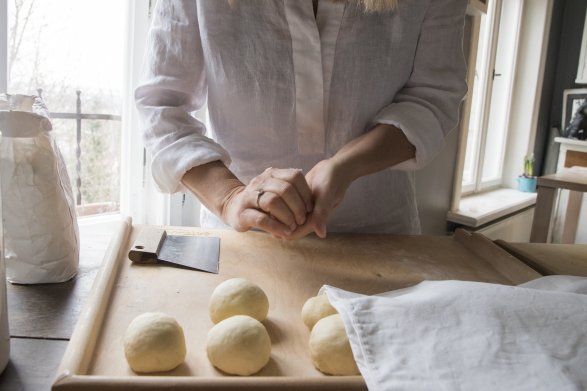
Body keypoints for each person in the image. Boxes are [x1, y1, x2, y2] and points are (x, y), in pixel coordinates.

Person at [135, 0, 468, 240]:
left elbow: (433, 96)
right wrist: (229, 197)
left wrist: (348, 164)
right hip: (245, 240)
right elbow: (163, 107)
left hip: (379, 237)